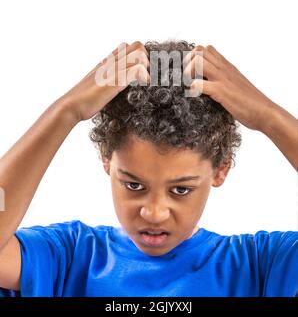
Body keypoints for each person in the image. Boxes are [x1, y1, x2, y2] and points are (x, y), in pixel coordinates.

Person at [0, 40, 297, 297]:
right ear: (107, 159)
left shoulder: (261, 268)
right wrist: (65, 111)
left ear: (221, 170)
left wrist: (269, 117)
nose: (153, 213)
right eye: (134, 185)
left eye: (180, 190)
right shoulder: (69, 258)